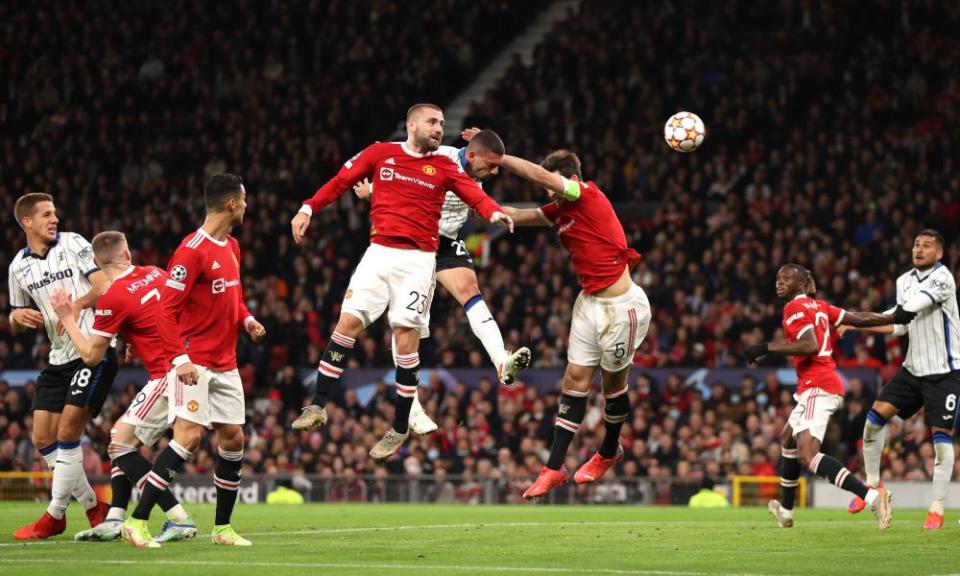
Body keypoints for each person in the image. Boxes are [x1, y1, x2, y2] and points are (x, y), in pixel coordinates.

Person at [289, 103, 513, 462]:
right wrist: (308, 208)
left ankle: (399, 425)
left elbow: (475, 194)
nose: (440, 128)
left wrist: (494, 212)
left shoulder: (443, 166)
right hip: (377, 254)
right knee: (347, 324)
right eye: (432, 121)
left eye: (442, 122)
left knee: (406, 338)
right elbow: (341, 181)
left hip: (418, 262)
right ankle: (317, 406)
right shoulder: (381, 153)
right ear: (411, 125)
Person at [353, 127, 532, 434]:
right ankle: (412, 407)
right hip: (412, 242)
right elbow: (398, 168)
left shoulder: (477, 170)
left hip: (445, 240)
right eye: (489, 165)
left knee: (470, 290)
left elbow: (480, 193)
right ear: (471, 154)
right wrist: (373, 191)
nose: (492, 172)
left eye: (495, 167)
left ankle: (502, 361)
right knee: (405, 323)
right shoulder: (438, 159)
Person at [496, 150, 650, 500]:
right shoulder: (561, 210)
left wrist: (499, 158)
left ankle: (610, 449)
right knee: (574, 382)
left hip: (621, 306)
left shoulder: (587, 193)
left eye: (552, 185)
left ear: (568, 180)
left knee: (612, 385)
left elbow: (540, 177)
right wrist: (480, 206)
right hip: (589, 303)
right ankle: (553, 468)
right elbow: (523, 216)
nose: (548, 194)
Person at [123, 173, 266, 548]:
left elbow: (232, 296)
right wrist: (180, 358)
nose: (248, 205)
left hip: (226, 361)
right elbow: (164, 311)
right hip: (194, 362)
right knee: (189, 436)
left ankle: (222, 529)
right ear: (232, 203)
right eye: (245, 199)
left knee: (234, 438)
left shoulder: (232, 246)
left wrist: (246, 319)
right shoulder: (191, 250)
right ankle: (136, 522)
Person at [50, 230, 196, 542]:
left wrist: (69, 317)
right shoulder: (156, 273)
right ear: (127, 254)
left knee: (118, 443)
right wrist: (131, 337)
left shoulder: (112, 296)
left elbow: (90, 355)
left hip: (167, 374)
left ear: (96, 263)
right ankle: (116, 516)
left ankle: (178, 516)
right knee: (121, 436)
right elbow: (163, 311)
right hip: (192, 363)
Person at [745, 264, 900, 529]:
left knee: (808, 455)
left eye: (786, 278)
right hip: (816, 386)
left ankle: (872, 496)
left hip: (818, 385)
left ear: (803, 283)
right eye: (778, 277)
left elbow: (810, 346)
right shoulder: (820, 307)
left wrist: (765, 347)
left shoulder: (793, 308)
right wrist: (897, 317)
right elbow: (859, 318)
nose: (779, 282)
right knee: (787, 438)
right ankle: (786, 510)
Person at [8, 193, 114, 539]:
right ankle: (92, 507)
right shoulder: (17, 267)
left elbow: (103, 285)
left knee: (68, 432)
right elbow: (13, 318)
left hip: (91, 349)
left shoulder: (73, 243)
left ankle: (55, 514)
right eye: (46, 215)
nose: (55, 219)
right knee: (42, 438)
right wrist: (16, 317)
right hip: (58, 357)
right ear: (27, 222)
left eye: (55, 213)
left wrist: (75, 308)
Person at [842, 229, 960, 529]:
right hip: (912, 369)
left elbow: (905, 312)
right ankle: (872, 487)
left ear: (939, 253)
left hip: (945, 371)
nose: (919, 249)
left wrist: (853, 319)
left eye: (927, 246)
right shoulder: (903, 281)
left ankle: (936, 509)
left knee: (942, 441)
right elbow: (899, 326)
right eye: (916, 244)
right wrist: (856, 326)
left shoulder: (943, 278)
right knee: (872, 421)